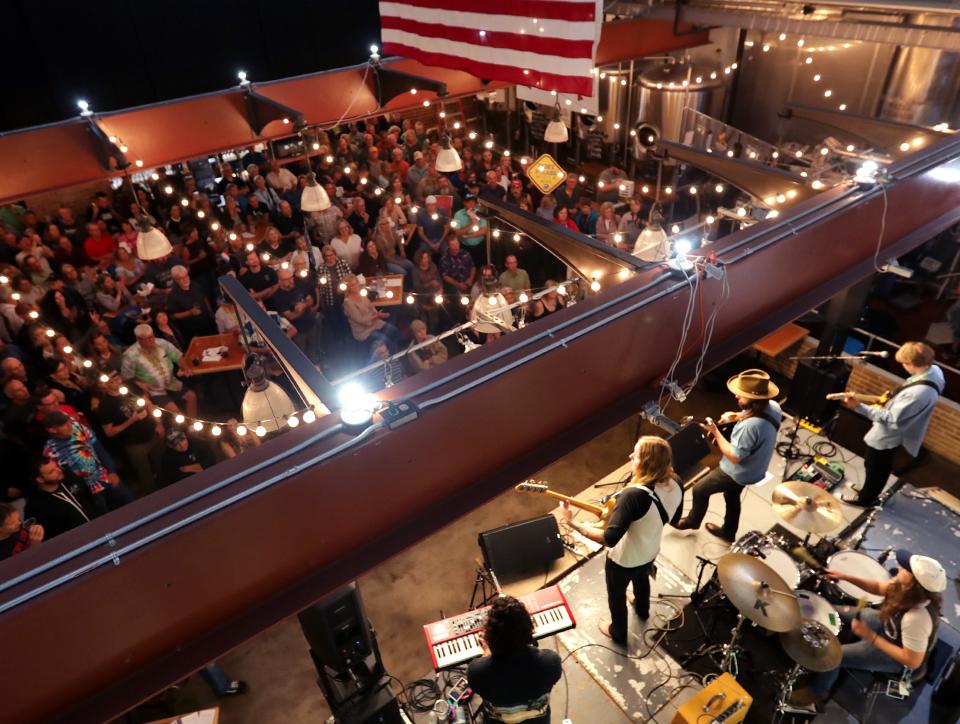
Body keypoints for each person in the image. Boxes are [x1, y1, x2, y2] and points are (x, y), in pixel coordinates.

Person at [562, 436, 683, 644]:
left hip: (623, 560)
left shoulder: (632, 496)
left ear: (644, 463)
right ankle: (642, 609)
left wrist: (573, 524)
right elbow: (675, 518)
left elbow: (609, 538)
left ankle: (618, 632)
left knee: (616, 595)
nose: (630, 456)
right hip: (651, 550)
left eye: (635, 454)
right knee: (642, 577)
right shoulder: (676, 481)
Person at [789, 549, 946, 707]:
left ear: (912, 582)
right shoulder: (906, 588)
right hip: (887, 625)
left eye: (905, 569)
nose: (899, 567)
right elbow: (878, 587)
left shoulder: (917, 619)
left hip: (895, 655)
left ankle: (818, 692)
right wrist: (845, 578)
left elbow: (911, 661)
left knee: (835, 656)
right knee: (831, 611)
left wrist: (871, 637)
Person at [673, 369, 782, 543]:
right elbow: (758, 416)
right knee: (731, 496)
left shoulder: (749, 427)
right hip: (757, 468)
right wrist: (737, 416)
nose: (736, 397)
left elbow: (735, 456)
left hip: (739, 472)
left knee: (699, 490)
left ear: (754, 399)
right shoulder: (774, 407)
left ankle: (693, 521)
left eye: (741, 395)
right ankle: (728, 532)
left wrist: (715, 431)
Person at [840, 342, 943, 506]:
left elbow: (891, 419)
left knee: (875, 466)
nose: (903, 366)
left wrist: (858, 406)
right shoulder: (935, 372)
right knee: (878, 466)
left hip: (887, 435)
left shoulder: (918, 393)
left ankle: (867, 498)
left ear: (912, 364)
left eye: (904, 363)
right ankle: (869, 490)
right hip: (898, 429)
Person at [466, 595, 562, 724]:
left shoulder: (476, 672)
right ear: (530, 630)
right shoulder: (551, 662)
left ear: (489, 638)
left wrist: (487, 653)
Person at [42, 409, 133, 514]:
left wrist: (112, 471)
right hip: (88, 492)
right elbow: (62, 476)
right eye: (63, 425)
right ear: (52, 430)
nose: (69, 425)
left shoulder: (78, 427)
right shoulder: (50, 451)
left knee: (130, 503)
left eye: (68, 421)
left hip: (106, 476)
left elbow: (99, 449)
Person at [96, 371, 164, 495]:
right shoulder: (106, 405)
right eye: (113, 381)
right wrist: (131, 421)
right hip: (135, 445)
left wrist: (159, 424)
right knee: (145, 476)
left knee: (161, 465)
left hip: (153, 434)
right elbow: (109, 432)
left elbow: (148, 404)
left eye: (118, 378)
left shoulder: (130, 387)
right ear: (105, 385)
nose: (118, 382)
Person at [121, 324, 197, 418]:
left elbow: (177, 356)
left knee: (192, 396)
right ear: (139, 339)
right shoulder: (130, 356)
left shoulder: (162, 343)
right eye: (147, 338)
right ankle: (184, 428)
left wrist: (185, 367)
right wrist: (139, 383)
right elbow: (126, 377)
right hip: (154, 390)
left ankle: (193, 423)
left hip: (171, 382)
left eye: (152, 336)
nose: (152, 340)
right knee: (175, 411)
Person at [24, 457, 90, 539]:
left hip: (97, 528)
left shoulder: (68, 478)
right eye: (52, 471)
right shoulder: (35, 506)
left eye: (57, 466)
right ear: (40, 479)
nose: (59, 471)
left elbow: (91, 499)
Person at [269, 267, 322, 362]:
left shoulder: (298, 285)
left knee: (314, 349)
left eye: (291, 277)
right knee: (302, 356)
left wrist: (303, 305)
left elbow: (311, 300)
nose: (291, 281)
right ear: (280, 281)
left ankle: (316, 366)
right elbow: (290, 317)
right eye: (287, 279)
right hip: (298, 332)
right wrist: (300, 310)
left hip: (311, 324)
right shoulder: (278, 297)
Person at [342, 275, 401, 351]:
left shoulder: (361, 294)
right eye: (353, 285)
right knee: (385, 341)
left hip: (375, 323)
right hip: (363, 331)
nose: (356, 286)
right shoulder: (348, 303)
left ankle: (398, 351)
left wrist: (378, 314)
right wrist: (376, 316)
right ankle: (392, 355)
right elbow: (360, 320)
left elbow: (371, 306)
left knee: (394, 331)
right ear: (348, 288)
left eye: (356, 283)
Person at [453, 193, 486, 269]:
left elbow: (483, 231)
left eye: (473, 201)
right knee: (466, 267)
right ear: (464, 203)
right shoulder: (458, 214)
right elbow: (457, 233)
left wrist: (467, 236)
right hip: (465, 248)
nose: (471, 204)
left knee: (481, 267)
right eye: (468, 202)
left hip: (480, 246)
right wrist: (472, 224)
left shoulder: (480, 212)